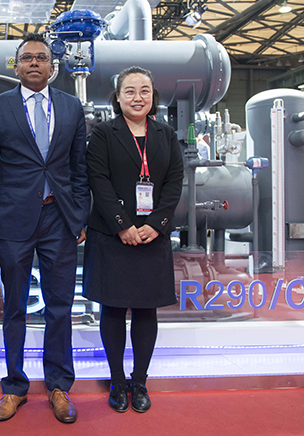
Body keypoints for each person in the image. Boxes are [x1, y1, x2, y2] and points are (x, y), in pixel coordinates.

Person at [0, 33, 91, 424]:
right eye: (26, 58)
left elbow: (79, 168)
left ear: (52, 66)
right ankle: (14, 387)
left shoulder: (71, 107)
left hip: (59, 218)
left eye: (41, 57)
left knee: (60, 307)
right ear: (16, 66)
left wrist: (79, 216)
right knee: (14, 308)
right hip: (12, 221)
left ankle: (58, 385)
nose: (34, 63)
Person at [82, 66, 183, 414]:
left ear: (153, 96)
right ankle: (117, 381)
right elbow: (98, 181)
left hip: (153, 236)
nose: (137, 98)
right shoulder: (102, 134)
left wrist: (157, 224)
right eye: (130, 91)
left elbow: (174, 183)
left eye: (144, 91)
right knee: (112, 309)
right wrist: (122, 225)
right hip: (112, 236)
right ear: (118, 97)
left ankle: (139, 381)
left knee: (145, 310)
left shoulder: (166, 134)